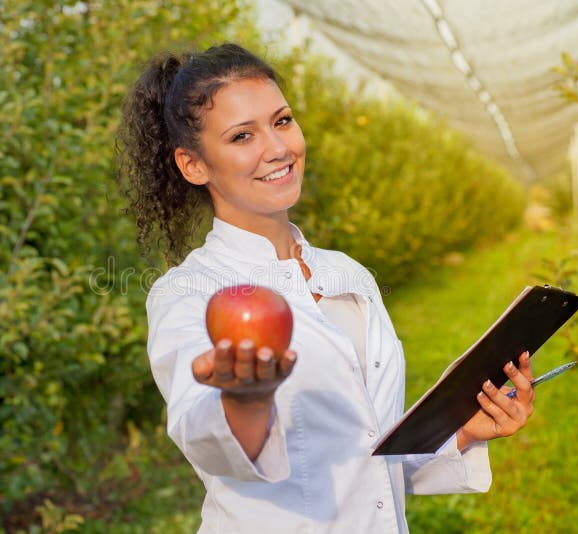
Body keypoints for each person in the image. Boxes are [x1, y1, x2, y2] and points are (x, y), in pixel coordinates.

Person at [117, 42, 535, 533]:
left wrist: (461, 432)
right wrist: (245, 400)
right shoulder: (188, 293)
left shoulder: (346, 273)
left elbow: (370, 453)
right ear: (193, 165)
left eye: (282, 120)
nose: (277, 148)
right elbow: (205, 435)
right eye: (241, 136)